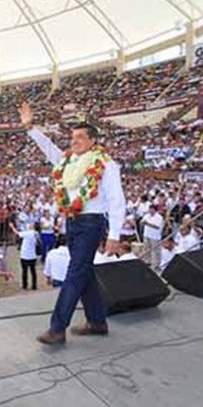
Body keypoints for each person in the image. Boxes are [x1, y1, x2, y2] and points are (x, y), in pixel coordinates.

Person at [21, 103, 125, 345]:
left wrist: (115, 235)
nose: (74, 141)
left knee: (75, 273)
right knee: (84, 272)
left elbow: (117, 200)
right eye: (72, 138)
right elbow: (49, 149)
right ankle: (97, 322)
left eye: (79, 137)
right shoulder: (69, 162)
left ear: (93, 140)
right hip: (73, 221)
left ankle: (57, 328)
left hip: (91, 223)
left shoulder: (106, 165)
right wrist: (30, 127)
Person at [10, 222, 40, 290]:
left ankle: (25, 285)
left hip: (25, 255)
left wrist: (12, 227)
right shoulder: (36, 233)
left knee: (24, 271)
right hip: (33, 255)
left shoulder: (29, 233)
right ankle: (34, 285)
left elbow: (17, 233)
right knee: (33, 271)